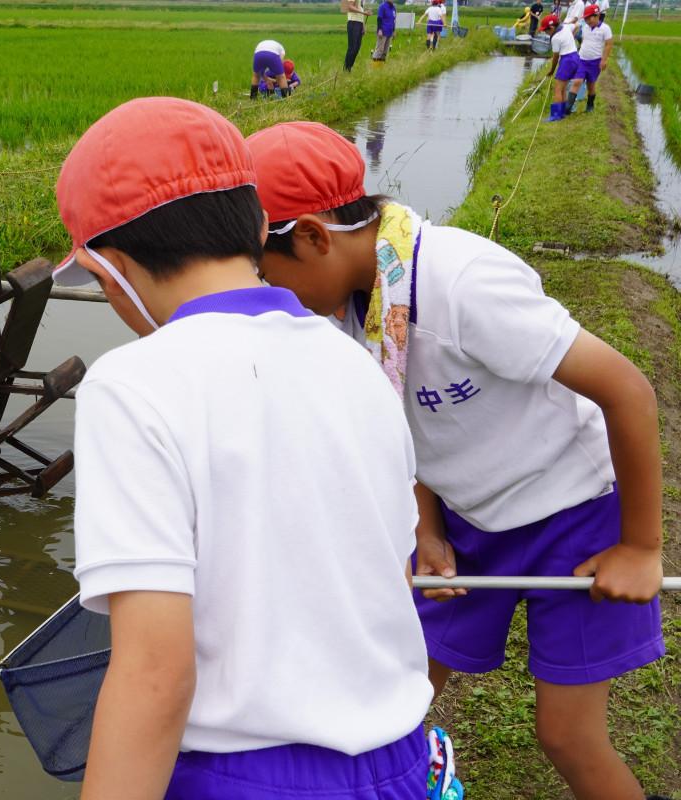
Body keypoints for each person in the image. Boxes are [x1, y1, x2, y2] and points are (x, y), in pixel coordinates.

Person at [247, 120, 667, 800]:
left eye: (268, 276)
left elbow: (628, 391)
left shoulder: (461, 282)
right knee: (400, 690)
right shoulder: (351, 305)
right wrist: (427, 527)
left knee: (567, 735)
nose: (271, 295)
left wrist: (641, 546)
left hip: (574, 514)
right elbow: (403, 425)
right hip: (470, 520)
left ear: (314, 236)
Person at [53, 97, 434, 799]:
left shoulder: (132, 386)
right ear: (259, 225)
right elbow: (390, 577)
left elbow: (155, 672)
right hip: (401, 760)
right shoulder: (358, 363)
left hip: (247, 776)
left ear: (111, 268)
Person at [572, 4, 614, 113]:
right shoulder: (585, 27)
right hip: (582, 59)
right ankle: (568, 107)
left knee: (590, 85)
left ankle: (590, 105)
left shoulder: (605, 28)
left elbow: (609, 44)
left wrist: (603, 60)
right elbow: (579, 36)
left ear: (597, 16)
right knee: (577, 81)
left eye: (589, 18)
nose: (587, 21)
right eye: (585, 19)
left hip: (595, 61)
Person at [541, 14, 581, 121]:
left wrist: (552, 70)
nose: (545, 32)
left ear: (552, 28)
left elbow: (555, 57)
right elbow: (577, 25)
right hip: (575, 57)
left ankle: (556, 115)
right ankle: (562, 112)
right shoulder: (566, 27)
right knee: (563, 88)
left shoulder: (555, 38)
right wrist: (571, 37)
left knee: (557, 89)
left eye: (546, 30)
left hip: (567, 60)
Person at [341, 0, 371, 71]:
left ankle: (350, 67)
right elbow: (350, 7)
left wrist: (363, 26)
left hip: (359, 23)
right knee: (352, 47)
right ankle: (346, 69)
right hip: (353, 22)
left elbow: (360, 11)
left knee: (357, 47)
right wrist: (364, 13)